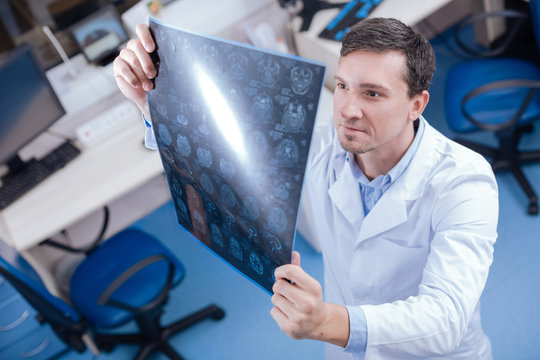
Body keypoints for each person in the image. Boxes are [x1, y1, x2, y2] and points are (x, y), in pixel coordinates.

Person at [113, 18, 498, 359]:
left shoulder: (464, 182)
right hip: (347, 348)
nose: (347, 109)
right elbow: (219, 157)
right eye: (343, 86)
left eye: (372, 93)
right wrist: (153, 103)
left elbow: (445, 318)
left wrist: (326, 321)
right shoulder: (323, 146)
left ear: (417, 104)